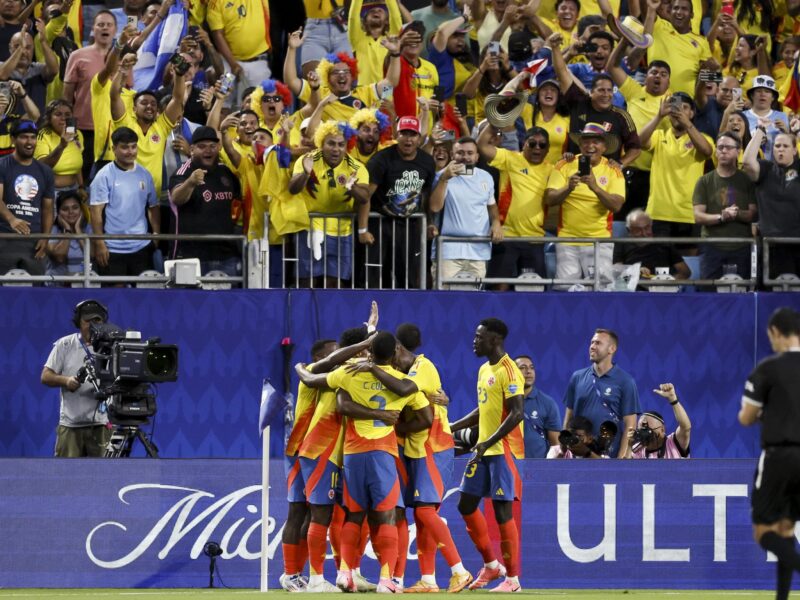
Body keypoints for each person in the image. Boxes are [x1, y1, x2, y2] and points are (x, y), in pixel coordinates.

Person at [297, 331, 431, 594]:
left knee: (353, 515)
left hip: (352, 454)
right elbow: (426, 417)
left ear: (370, 352)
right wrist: (399, 425)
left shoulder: (350, 374)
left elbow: (316, 382)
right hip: (382, 452)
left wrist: (301, 368)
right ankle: (385, 580)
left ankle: (345, 574)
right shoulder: (403, 382)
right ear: (394, 353)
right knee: (385, 516)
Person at [345, 322, 473, 593]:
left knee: (426, 511)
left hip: (432, 447)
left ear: (399, 349)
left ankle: (459, 570)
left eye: (392, 356)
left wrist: (373, 369)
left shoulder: (422, 368)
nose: (390, 362)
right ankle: (426, 578)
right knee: (415, 513)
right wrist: (371, 332)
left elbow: (403, 390)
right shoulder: (403, 366)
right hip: (412, 449)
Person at [451, 317, 524, 593]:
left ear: (495, 339)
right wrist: (453, 427)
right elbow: (484, 410)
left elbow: (517, 414)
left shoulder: (510, 370)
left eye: (479, 337)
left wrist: (488, 441)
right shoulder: (484, 370)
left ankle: (513, 580)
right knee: (466, 506)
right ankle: (492, 566)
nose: (475, 341)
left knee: (502, 513)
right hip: (483, 449)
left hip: (501, 451)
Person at [739, 307, 800, 600]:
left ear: (775, 333)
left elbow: (746, 417)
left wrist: (764, 413)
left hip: (778, 457)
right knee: (786, 530)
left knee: (764, 532)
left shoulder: (767, 369)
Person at [288, 120, 370, 288]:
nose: (336, 149)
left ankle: (331, 314)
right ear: (321, 143)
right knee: (308, 280)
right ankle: (306, 313)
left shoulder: (357, 167)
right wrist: (305, 173)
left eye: (341, 144)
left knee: (335, 282)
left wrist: (352, 187)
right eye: (331, 143)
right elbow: (293, 189)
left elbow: (364, 197)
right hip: (311, 228)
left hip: (342, 231)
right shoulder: (307, 160)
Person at [544, 123, 625, 287]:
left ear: (604, 147)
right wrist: (568, 187)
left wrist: (595, 187)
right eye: (586, 142)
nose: (590, 146)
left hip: (599, 241)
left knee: (599, 291)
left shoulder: (613, 170)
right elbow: (549, 199)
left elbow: (616, 206)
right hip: (567, 240)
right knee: (565, 290)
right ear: (580, 145)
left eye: (596, 142)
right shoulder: (564, 165)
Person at [361, 116, 436, 289]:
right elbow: (366, 196)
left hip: (410, 227)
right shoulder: (381, 160)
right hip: (381, 224)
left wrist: (430, 223)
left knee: (409, 277)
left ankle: (408, 314)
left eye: (412, 134)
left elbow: (425, 194)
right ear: (396, 134)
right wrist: (363, 229)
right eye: (404, 134)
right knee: (376, 277)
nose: (408, 139)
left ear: (419, 138)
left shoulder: (427, 162)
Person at [476, 125, 553, 287]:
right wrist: (494, 122)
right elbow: (482, 145)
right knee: (498, 291)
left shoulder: (552, 170)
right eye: (532, 143)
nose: (537, 148)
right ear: (524, 144)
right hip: (506, 236)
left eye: (542, 145)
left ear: (548, 149)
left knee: (534, 293)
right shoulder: (510, 159)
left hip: (535, 239)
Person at [41, 299, 111, 457]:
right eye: (87, 321)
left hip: (101, 425)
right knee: (64, 477)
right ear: (78, 323)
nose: (93, 325)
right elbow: (45, 376)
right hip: (70, 425)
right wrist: (66, 381)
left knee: (106, 476)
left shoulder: (112, 346)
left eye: (97, 320)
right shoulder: (65, 344)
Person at [168, 126, 242, 277]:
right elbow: (177, 198)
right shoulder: (183, 171)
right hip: (192, 256)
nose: (208, 151)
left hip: (226, 255)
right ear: (192, 149)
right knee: (191, 300)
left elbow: (240, 199)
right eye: (202, 146)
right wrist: (191, 182)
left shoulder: (225, 172)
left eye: (212, 146)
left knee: (228, 300)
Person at [639, 92, 713, 240]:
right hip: (659, 212)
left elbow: (706, 151)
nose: (678, 112)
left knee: (689, 261)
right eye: (675, 108)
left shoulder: (703, 138)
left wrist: (687, 124)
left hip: (689, 214)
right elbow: (639, 142)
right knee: (660, 261)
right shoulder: (659, 136)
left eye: (684, 108)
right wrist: (659, 116)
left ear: (692, 113)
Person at [89, 127, 159, 283]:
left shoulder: (145, 174)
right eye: (125, 147)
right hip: (112, 249)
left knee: (143, 297)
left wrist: (156, 234)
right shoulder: (104, 175)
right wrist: (100, 244)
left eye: (133, 146)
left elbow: (153, 207)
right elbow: (95, 212)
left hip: (141, 247)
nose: (130, 151)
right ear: (114, 149)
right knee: (115, 297)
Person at [429, 136, 501, 288]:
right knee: (445, 302)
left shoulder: (486, 177)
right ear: (452, 154)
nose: (465, 157)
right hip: (448, 252)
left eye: (470, 153)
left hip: (478, 252)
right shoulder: (441, 175)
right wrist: (444, 179)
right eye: (460, 153)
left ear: (477, 156)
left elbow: (492, 207)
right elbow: (435, 207)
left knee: (475, 304)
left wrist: (496, 222)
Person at [563, 328, 640, 458]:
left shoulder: (626, 381)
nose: (592, 346)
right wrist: (564, 448)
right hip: (579, 455)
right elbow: (569, 417)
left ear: (611, 349)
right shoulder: (577, 377)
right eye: (592, 342)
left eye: (598, 343)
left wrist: (621, 460)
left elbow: (630, 424)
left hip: (609, 456)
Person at [692, 131, 757, 281]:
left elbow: (752, 213)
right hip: (711, 246)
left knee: (741, 292)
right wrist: (722, 217)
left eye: (728, 147)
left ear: (738, 151)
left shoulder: (747, 180)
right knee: (708, 294)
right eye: (720, 147)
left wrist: (735, 213)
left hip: (741, 246)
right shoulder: (704, 181)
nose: (723, 151)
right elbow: (698, 216)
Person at [63, 10, 117, 181]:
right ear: (93, 29)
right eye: (100, 24)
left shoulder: (123, 58)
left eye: (109, 25)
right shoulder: (77, 56)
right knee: (82, 176)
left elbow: (128, 94)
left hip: (112, 130)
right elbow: (66, 99)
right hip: (83, 129)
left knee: (108, 179)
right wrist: (70, 130)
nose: (104, 28)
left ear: (115, 30)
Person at [0, 119, 55, 277]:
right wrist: (12, 219)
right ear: (13, 139)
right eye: (24, 137)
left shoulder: (45, 171)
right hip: (5, 238)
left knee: (36, 292)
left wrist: (45, 238)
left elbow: (48, 209)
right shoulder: (2, 165)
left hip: (33, 242)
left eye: (32, 137)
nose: (29, 142)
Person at [742, 130, 800, 279]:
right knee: (772, 296)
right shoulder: (765, 169)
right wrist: (760, 132)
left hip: (797, 242)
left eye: (785, 146)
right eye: (777, 146)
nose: (780, 149)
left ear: (794, 150)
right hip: (772, 245)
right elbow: (747, 161)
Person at [206, 0, 271, 104]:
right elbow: (218, 35)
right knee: (222, 100)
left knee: (258, 105)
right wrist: (233, 64)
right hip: (228, 64)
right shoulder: (216, 2)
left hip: (257, 62)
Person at [643, 0, 712, 97]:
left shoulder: (702, 42)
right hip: (656, 100)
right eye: (676, 8)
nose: (679, 12)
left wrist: (709, 72)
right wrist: (651, 7)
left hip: (686, 104)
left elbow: (714, 78)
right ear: (670, 11)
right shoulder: (658, 27)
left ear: (692, 15)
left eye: (684, 9)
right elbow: (645, 11)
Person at [613, 209, 691, 283]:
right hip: (633, 288)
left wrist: (669, 282)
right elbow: (617, 272)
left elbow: (685, 272)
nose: (644, 234)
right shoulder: (622, 243)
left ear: (651, 226)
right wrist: (635, 271)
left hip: (661, 290)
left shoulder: (664, 243)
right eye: (638, 230)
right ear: (629, 230)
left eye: (647, 228)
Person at [626, 383, 690, 458]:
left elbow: (686, 427)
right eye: (641, 427)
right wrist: (629, 445)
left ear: (662, 430)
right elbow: (626, 468)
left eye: (647, 426)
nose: (644, 431)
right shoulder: (638, 449)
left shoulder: (673, 443)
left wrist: (673, 399)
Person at [515, 355, 560, 459]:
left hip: (538, 468)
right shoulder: (503, 401)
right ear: (512, 373)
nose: (528, 371)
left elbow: (555, 446)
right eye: (522, 368)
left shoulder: (548, 403)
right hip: (509, 467)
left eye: (531, 367)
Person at [45, 190, 91, 282]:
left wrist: (78, 230)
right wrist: (68, 230)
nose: (71, 212)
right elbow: (60, 258)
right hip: (58, 284)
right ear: (58, 213)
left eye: (75, 207)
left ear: (81, 210)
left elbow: (92, 256)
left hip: (84, 283)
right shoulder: (52, 230)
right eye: (65, 209)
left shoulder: (88, 229)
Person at [743, 75, 789, 162]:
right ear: (752, 95)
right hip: (748, 164)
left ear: (773, 97)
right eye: (758, 91)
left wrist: (786, 131)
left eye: (767, 91)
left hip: (776, 166)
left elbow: (791, 145)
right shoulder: (742, 116)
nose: (762, 94)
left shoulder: (782, 116)